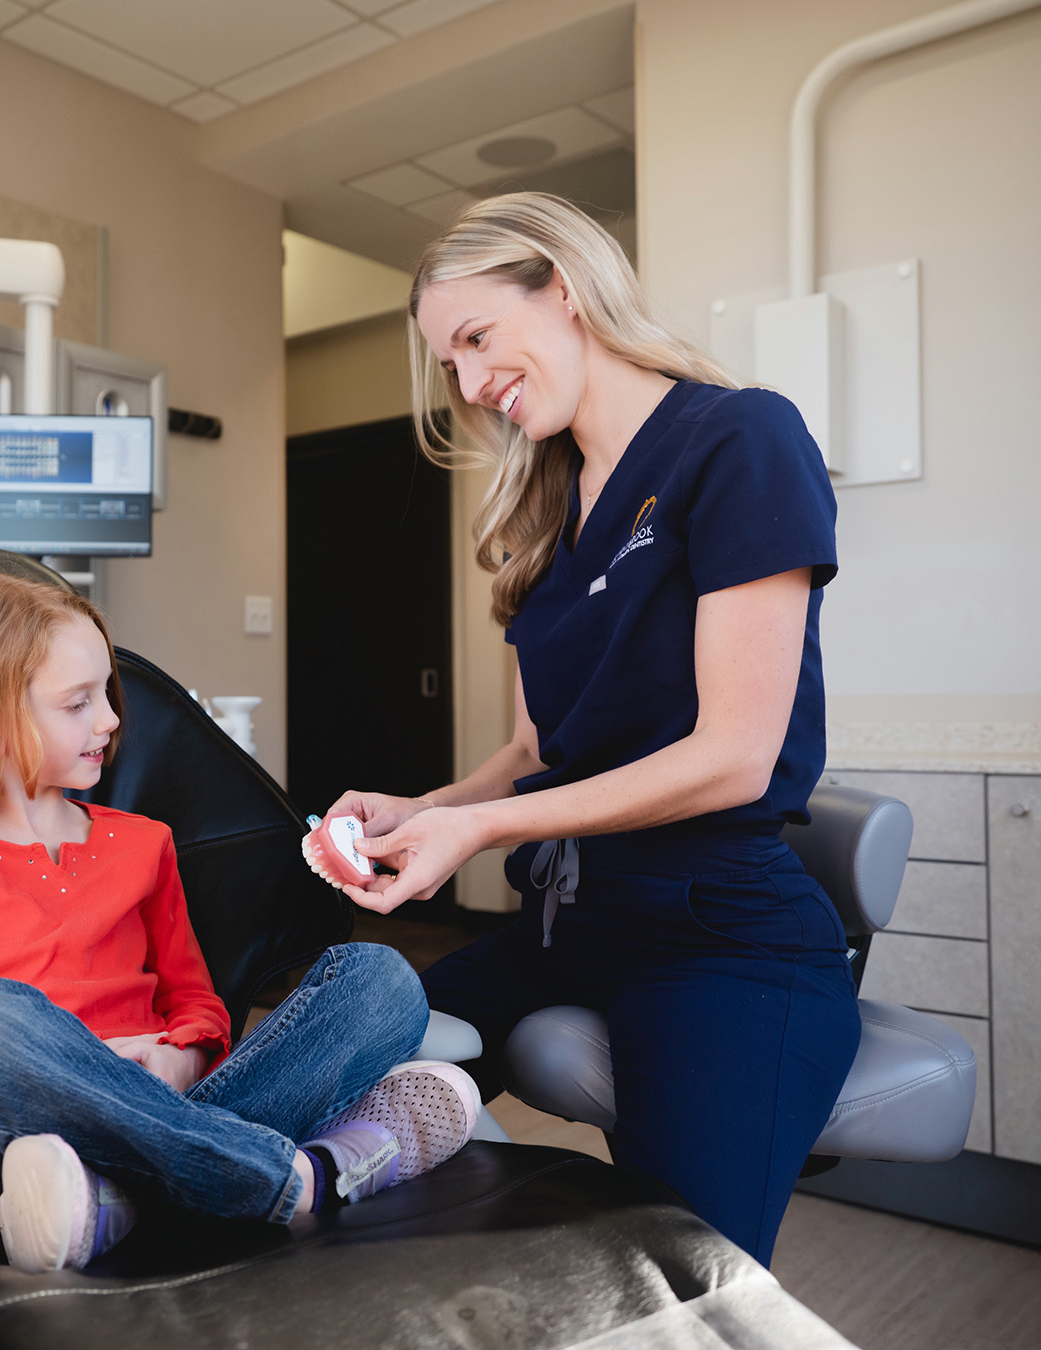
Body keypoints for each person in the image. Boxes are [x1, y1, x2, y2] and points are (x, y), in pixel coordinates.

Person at [329, 192, 860, 1266]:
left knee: (677, 1280)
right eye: (451, 363)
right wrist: (422, 810)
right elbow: (534, 754)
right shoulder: (546, 508)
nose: (473, 385)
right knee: (346, 1051)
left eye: (478, 338)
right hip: (572, 923)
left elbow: (734, 755)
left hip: (721, 936)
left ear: (563, 288)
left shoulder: (738, 437)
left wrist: (478, 836)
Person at [0, 571, 478, 1273]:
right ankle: (300, 1174)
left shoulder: (143, 842)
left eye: (107, 695)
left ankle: (129, 1197)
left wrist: (181, 1054)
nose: (111, 720)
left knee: (381, 977)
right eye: (78, 703)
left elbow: (197, 1004)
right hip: (8, 1169)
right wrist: (90, 1071)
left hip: (163, 1100)